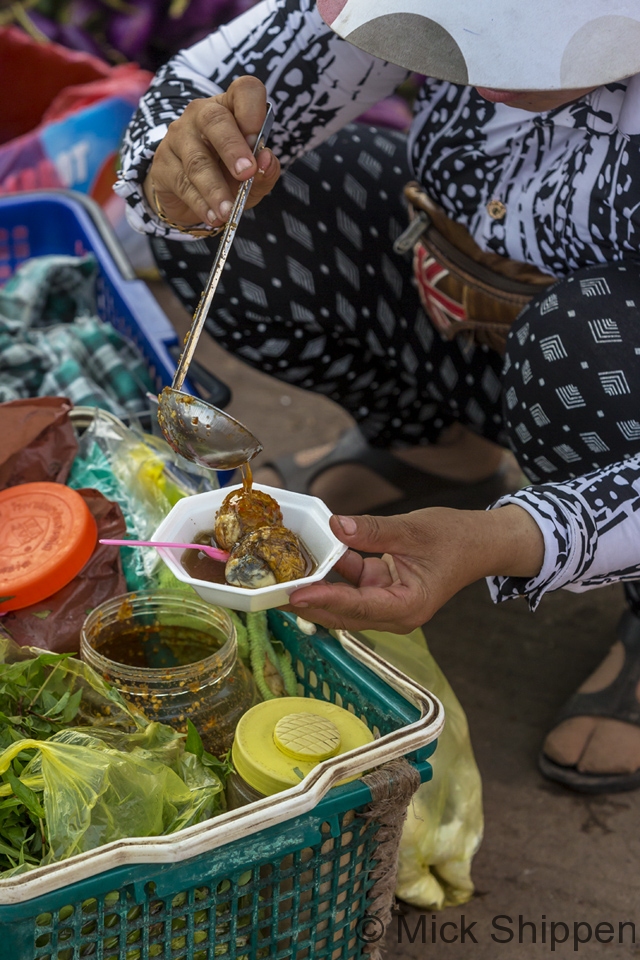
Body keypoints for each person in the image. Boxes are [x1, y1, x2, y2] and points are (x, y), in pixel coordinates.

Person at [115, 0, 640, 794]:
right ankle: (432, 446)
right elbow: (203, 83)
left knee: (580, 345)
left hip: (603, 386)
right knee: (255, 215)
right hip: (468, 317)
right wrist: (184, 163)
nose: (486, 68)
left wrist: (505, 538)